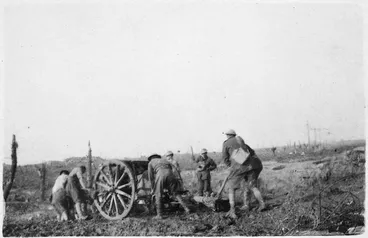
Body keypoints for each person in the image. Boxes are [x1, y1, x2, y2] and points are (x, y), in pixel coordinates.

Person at [222, 129, 265, 219]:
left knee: (232, 188)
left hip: (238, 168)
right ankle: (261, 204)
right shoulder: (241, 142)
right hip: (251, 167)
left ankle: (232, 211)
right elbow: (252, 152)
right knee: (252, 186)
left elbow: (225, 158)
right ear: (234, 135)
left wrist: (230, 166)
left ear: (227, 135)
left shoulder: (226, 143)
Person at [148, 153, 190, 219]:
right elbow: (173, 170)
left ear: (151, 158)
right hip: (171, 175)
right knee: (175, 193)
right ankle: (186, 208)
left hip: (160, 174)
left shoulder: (151, 162)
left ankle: (159, 215)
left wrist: (153, 187)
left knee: (158, 194)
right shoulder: (165, 161)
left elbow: (151, 177)